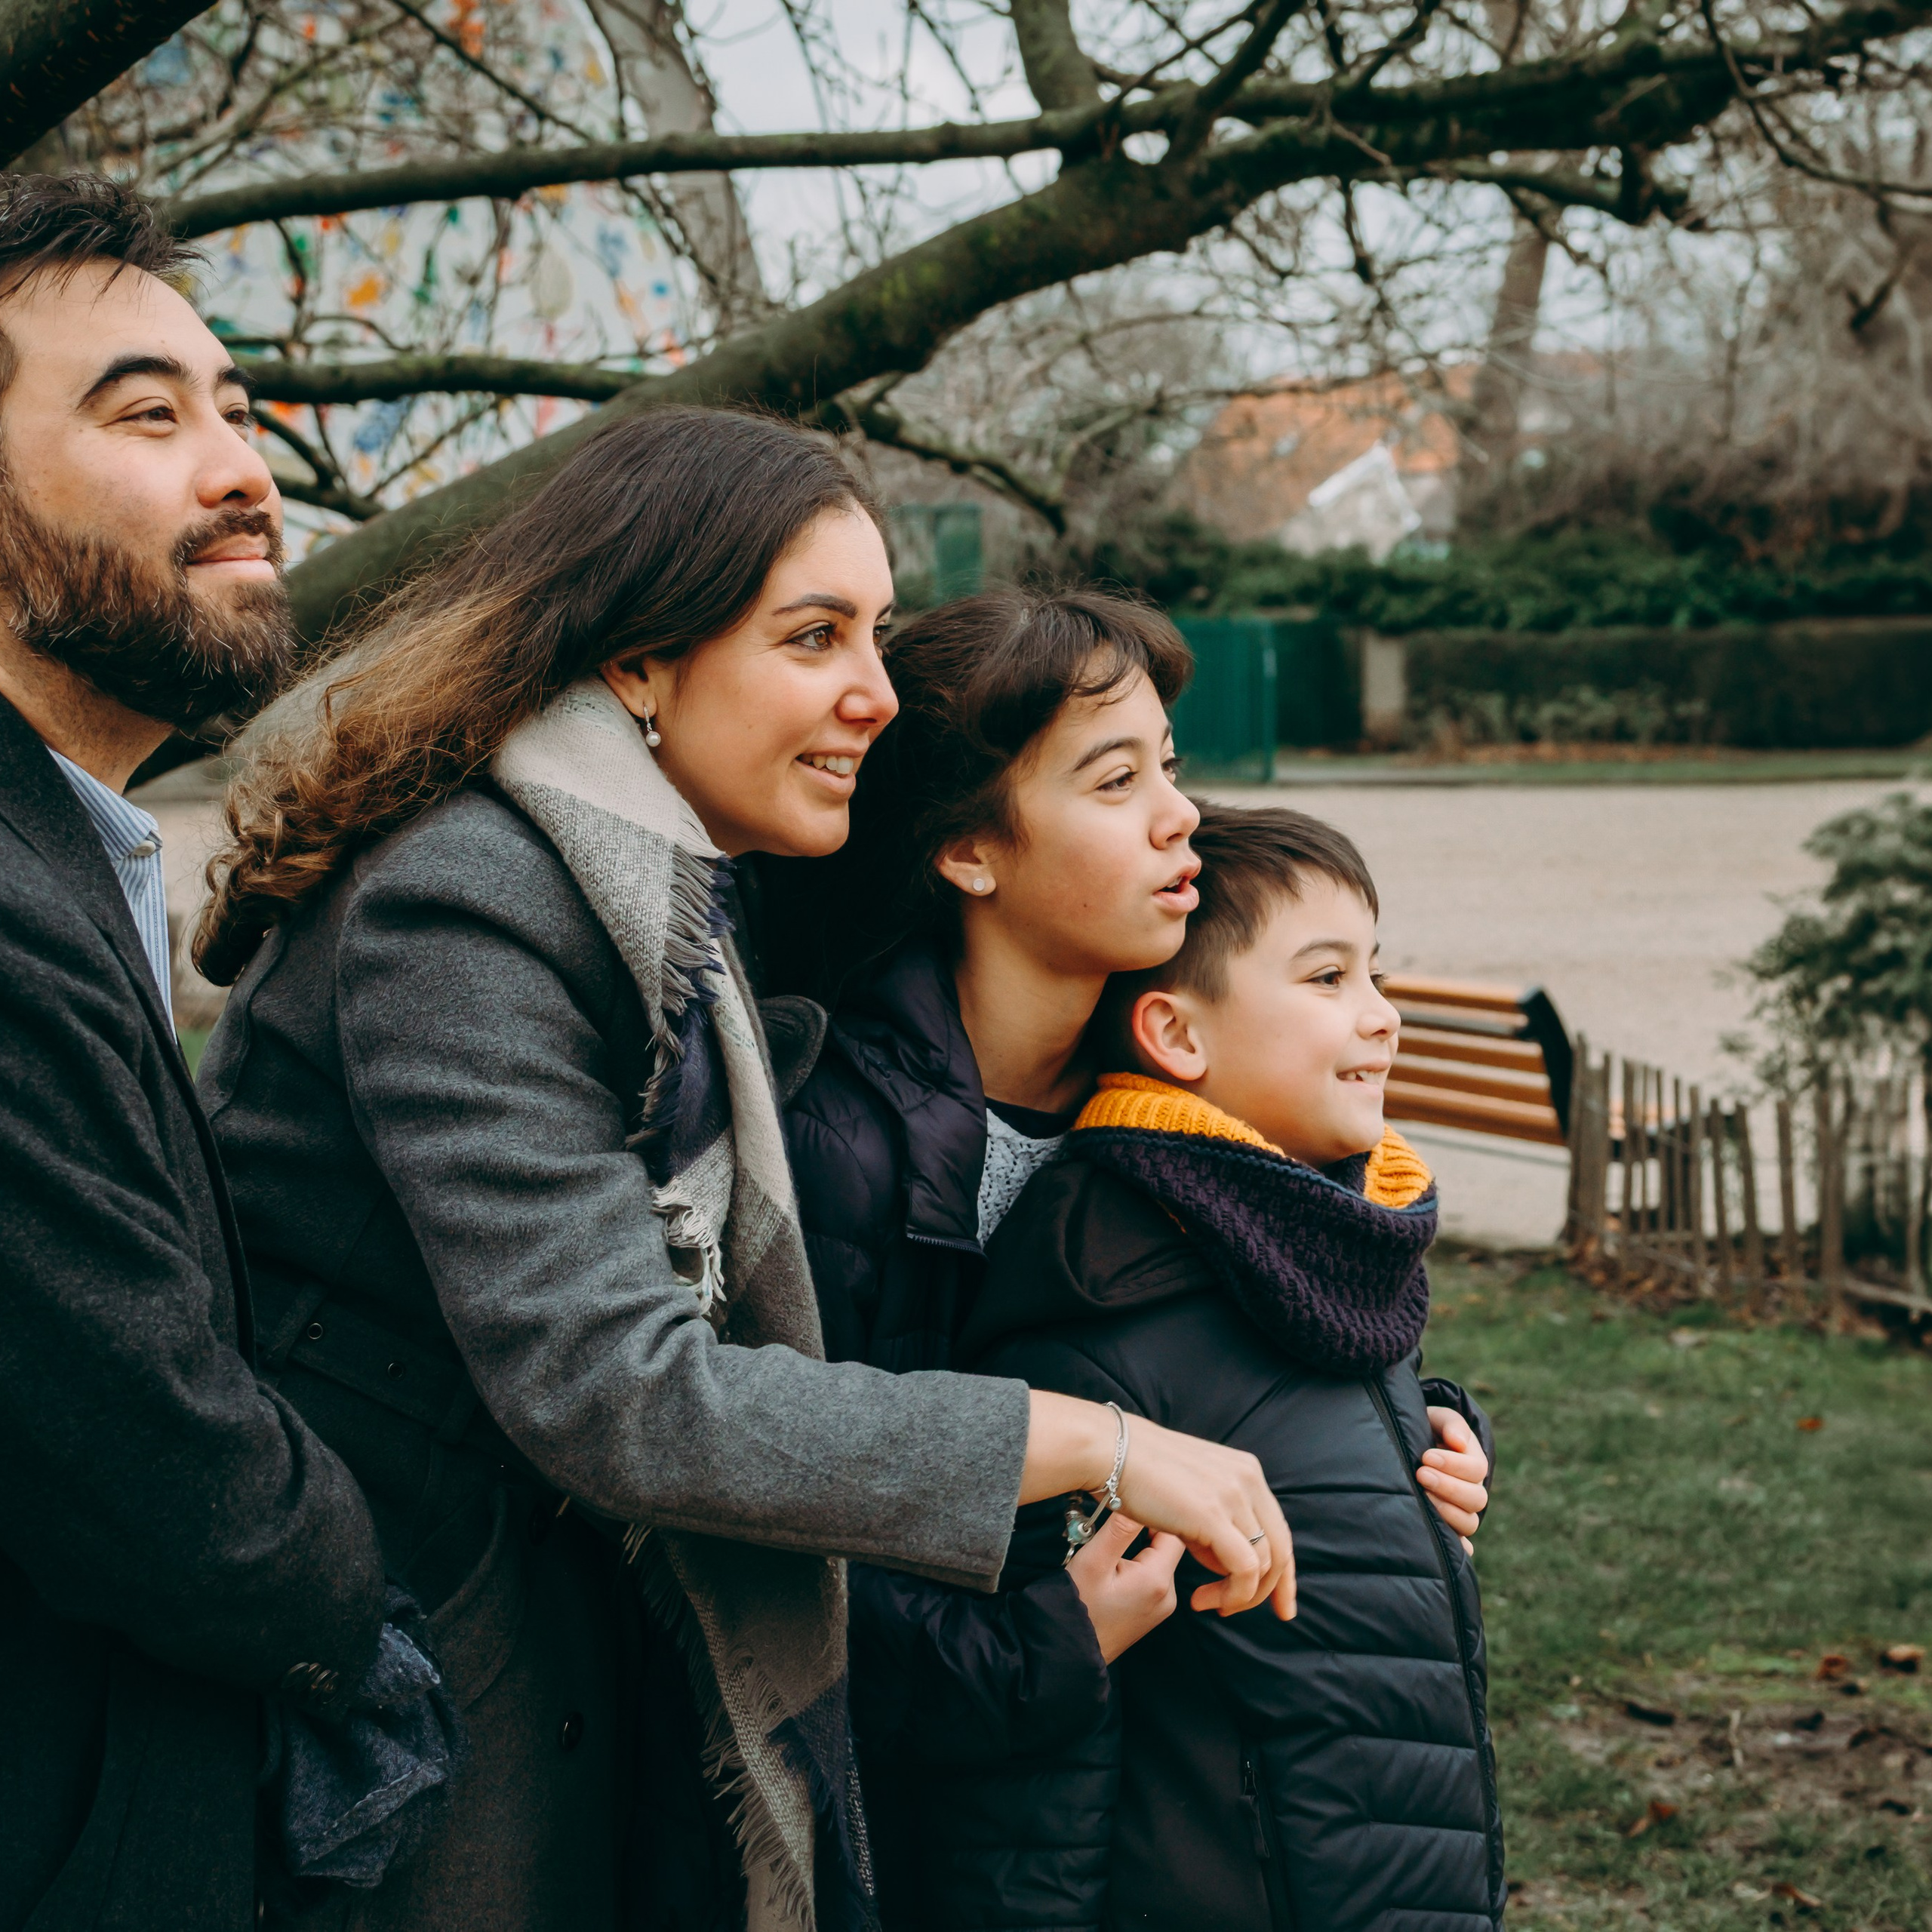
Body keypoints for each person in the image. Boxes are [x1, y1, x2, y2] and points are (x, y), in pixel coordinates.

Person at [192, 406, 1294, 1932]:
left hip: (545, 1617)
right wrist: (1091, 1441)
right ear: (638, 661)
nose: (873, 694)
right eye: (814, 636)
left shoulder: (666, 888)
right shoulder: (467, 899)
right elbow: (623, 1392)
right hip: (410, 1658)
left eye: (879, 633)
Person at [777, 592, 1493, 1928]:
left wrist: (1419, 1438)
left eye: (1169, 764)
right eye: (1118, 780)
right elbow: (785, 1525)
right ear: (971, 853)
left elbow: (1275, 1325)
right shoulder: (839, 1151)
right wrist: (1048, 1644)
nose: (1183, 816)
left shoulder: (1169, 1098)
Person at [0, 174, 390, 1931]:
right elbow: (165, 1471)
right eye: (146, 415)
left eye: (236, 410)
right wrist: (352, 1570)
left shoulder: (68, 855)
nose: (244, 468)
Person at [961, 801, 1506, 1932]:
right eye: (1327, 979)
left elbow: (1306, 1423)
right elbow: (1041, 1787)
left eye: (1376, 973)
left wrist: (1436, 1435)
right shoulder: (1101, 1310)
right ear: (1178, 1037)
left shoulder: (1324, 1253)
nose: (1384, 1017)